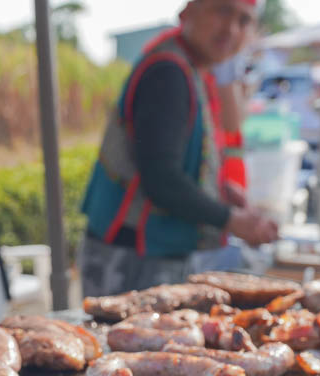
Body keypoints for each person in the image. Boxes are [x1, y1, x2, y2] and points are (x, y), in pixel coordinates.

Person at [79, 0, 277, 297]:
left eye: (244, 21)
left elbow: (185, 158)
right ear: (188, 12)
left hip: (151, 252)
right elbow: (161, 178)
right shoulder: (168, 73)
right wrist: (230, 219)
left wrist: (220, 190)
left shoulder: (192, 69)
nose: (231, 29)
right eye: (222, 10)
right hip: (132, 257)